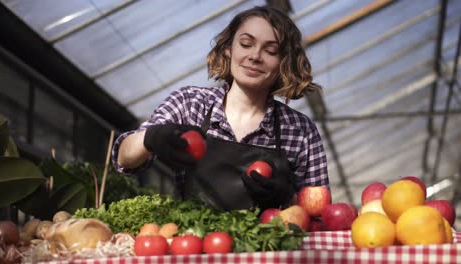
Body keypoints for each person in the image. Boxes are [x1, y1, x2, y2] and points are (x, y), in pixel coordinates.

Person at [112, 5, 329, 211]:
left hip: (270, 248)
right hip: (195, 244)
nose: (255, 56)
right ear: (228, 49)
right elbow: (124, 159)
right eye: (246, 44)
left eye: (271, 51)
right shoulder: (190, 104)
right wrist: (152, 137)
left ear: (284, 62)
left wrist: (287, 198)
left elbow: (319, 214)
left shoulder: (301, 131)